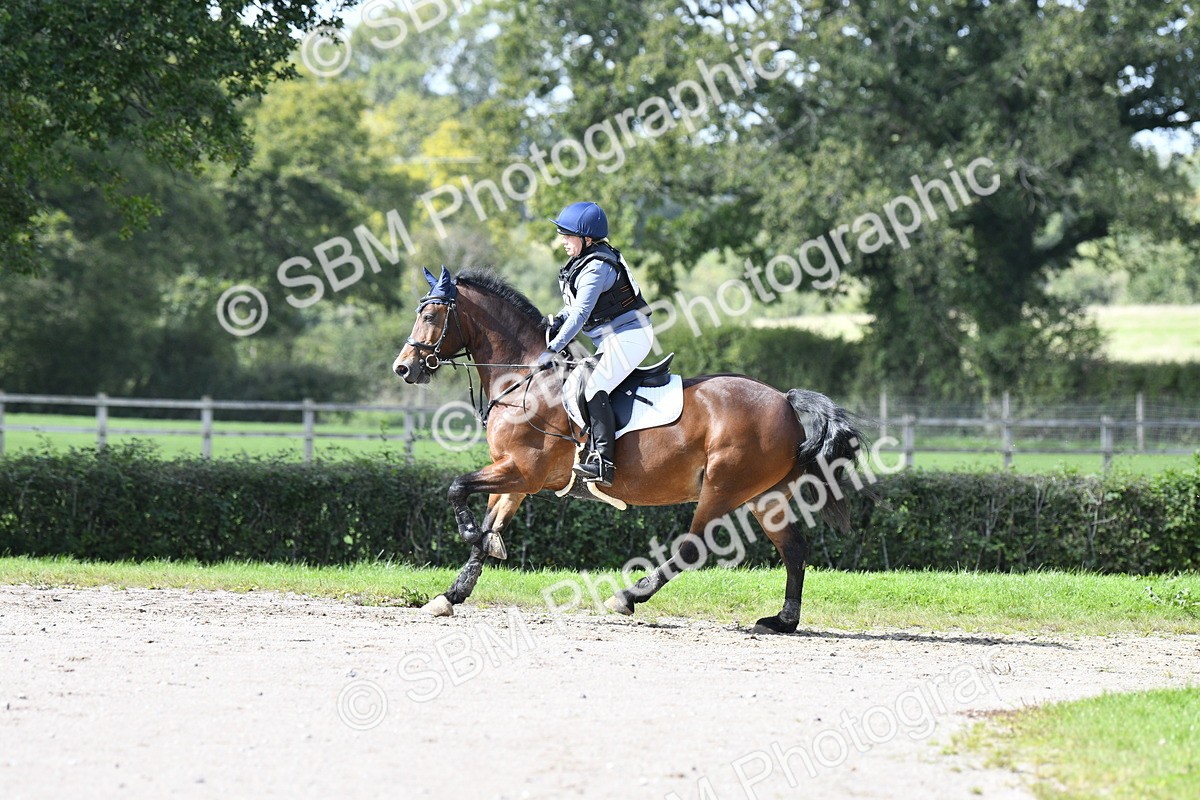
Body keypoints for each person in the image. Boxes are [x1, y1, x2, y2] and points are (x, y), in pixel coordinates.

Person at [536, 201, 654, 487]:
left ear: (587, 238)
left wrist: (554, 348)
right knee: (573, 385)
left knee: (593, 386)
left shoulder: (598, 266)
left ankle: (604, 462)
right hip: (610, 339)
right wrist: (551, 322)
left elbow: (581, 314)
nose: (562, 240)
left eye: (568, 235)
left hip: (630, 336)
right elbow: (572, 309)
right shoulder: (582, 261)